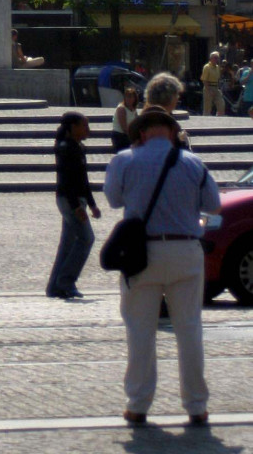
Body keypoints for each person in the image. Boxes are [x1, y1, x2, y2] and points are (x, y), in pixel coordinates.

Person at [104, 104, 221, 427]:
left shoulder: (124, 160)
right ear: (172, 133)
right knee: (189, 330)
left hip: (142, 255)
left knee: (140, 331)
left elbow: (113, 200)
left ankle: (138, 405)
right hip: (185, 250)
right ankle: (196, 406)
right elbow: (213, 205)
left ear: (141, 134)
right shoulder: (193, 162)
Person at [46, 111, 100, 299]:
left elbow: (83, 180)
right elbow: (67, 180)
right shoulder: (66, 148)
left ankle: (54, 286)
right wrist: (76, 206)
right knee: (86, 238)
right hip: (70, 200)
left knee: (68, 243)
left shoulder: (77, 147)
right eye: (84, 125)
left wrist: (92, 204)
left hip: (75, 199)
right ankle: (66, 281)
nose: (88, 130)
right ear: (73, 127)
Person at [111, 83, 140, 153]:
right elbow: (124, 127)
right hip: (120, 136)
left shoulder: (134, 109)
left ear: (134, 98)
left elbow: (136, 123)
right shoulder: (122, 108)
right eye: (127, 97)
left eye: (131, 97)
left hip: (129, 135)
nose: (129, 99)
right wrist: (133, 137)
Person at [201, 50, 225, 117]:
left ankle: (219, 119)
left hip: (216, 88)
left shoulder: (217, 67)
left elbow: (218, 79)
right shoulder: (207, 67)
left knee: (221, 105)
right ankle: (205, 121)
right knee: (207, 108)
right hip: (208, 87)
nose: (217, 59)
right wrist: (209, 90)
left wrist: (219, 88)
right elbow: (204, 80)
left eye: (217, 58)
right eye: (215, 57)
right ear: (211, 58)